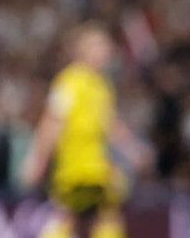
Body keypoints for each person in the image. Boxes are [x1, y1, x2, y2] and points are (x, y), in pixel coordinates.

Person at [19, 23, 152, 238]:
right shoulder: (69, 82)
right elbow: (51, 123)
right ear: (81, 50)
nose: (103, 50)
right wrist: (37, 161)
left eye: (105, 45)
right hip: (75, 169)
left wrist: (133, 150)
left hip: (98, 169)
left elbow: (109, 124)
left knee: (104, 218)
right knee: (69, 218)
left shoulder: (101, 85)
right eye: (96, 45)